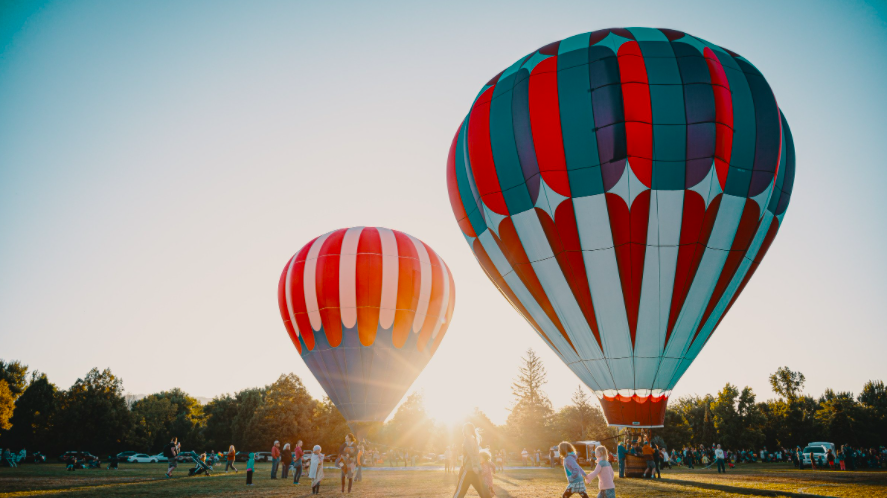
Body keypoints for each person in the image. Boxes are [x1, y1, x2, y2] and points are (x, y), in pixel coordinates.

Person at [453, 422, 491, 498]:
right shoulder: (473, 440)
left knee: (460, 491)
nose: (466, 431)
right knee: (484, 492)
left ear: (471, 430)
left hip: (469, 470)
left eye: (468, 430)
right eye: (465, 430)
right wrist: (477, 466)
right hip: (475, 470)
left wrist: (474, 466)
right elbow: (475, 455)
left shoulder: (468, 440)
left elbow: (472, 455)